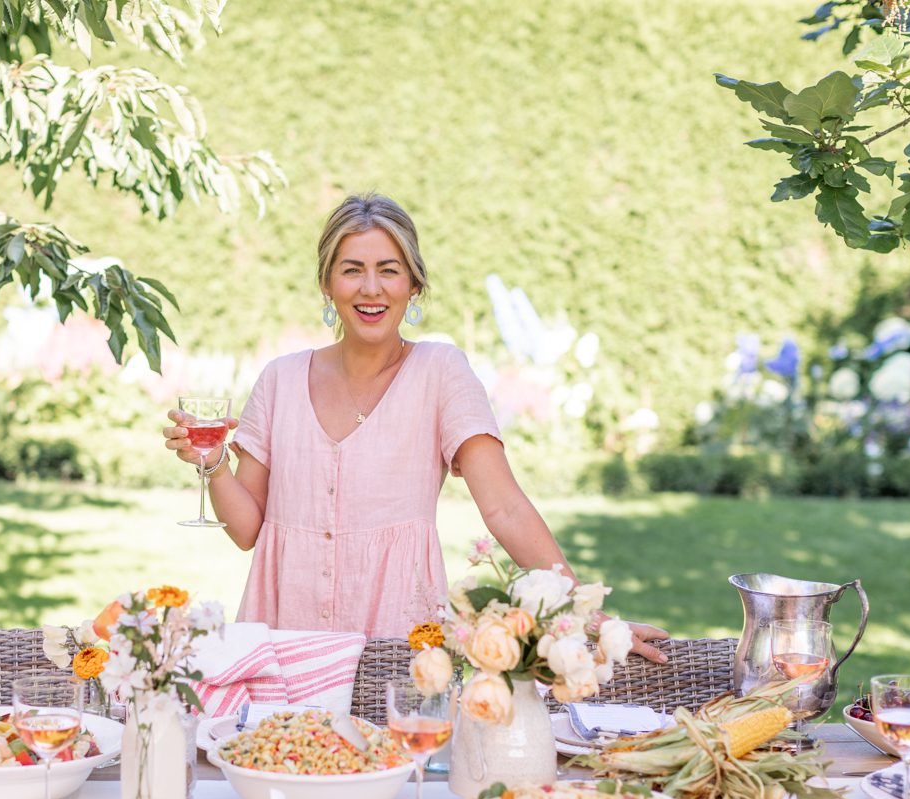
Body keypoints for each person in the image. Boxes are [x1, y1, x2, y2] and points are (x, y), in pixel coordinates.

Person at [163, 192, 669, 662]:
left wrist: (584, 614)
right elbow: (248, 530)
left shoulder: (440, 373)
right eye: (351, 270)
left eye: (389, 270)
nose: (371, 288)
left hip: (397, 650)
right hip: (281, 648)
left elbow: (505, 506)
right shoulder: (280, 380)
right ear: (326, 283)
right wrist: (214, 465)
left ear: (413, 284)